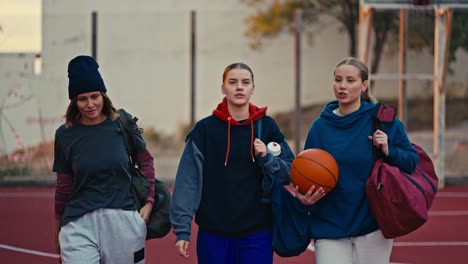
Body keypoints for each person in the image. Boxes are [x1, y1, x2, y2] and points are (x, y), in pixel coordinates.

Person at [169, 62, 296, 263]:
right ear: (223, 88)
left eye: (245, 82)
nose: (239, 87)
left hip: (258, 231)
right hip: (214, 232)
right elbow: (188, 181)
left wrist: (268, 158)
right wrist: (182, 229)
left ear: (252, 88)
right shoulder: (204, 130)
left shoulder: (267, 126)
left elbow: (290, 172)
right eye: (233, 82)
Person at [297, 57, 419, 264]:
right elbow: (305, 171)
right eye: (338, 80)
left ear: (364, 85)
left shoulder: (382, 121)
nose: (342, 86)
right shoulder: (320, 127)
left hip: (372, 224)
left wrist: (389, 150)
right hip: (329, 224)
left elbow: (411, 162)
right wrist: (303, 197)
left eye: (350, 80)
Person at [53, 55, 155, 264]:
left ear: (103, 95)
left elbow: (146, 162)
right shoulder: (65, 134)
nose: (90, 104)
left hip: (123, 222)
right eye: (82, 99)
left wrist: (150, 203)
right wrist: (58, 230)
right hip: (78, 223)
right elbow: (63, 186)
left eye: (95, 96)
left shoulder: (122, 124)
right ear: (74, 101)